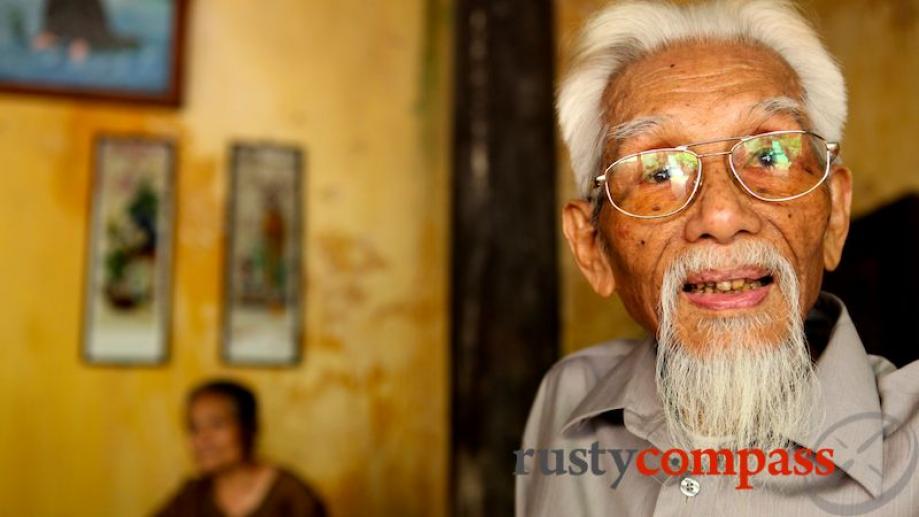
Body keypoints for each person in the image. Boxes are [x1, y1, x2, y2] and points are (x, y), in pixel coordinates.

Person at [516, 1, 919, 516]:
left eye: (770, 156)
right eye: (658, 172)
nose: (723, 215)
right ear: (593, 247)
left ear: (835, 215)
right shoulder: (566, 404)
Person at [155, 380, 326, 517]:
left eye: (217, 425)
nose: (202, 439)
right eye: (194, 428)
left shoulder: (292, 497)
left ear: (249, 428)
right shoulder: (194, 494)